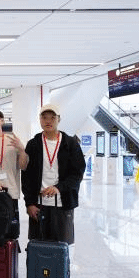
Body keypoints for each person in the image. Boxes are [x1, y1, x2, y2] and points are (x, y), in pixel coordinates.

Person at [22, 104, 86, 244]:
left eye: (52, 118)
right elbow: (26, 177)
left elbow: (77, 173)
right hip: (38, 205)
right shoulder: (33, 144)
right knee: (38, 245)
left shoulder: (70, 144)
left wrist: (59, 187)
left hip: (63, 203)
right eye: (44, 118)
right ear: (40, 120)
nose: (48, 121)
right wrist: (29, 203)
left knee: (62, 245)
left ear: (59, 119)